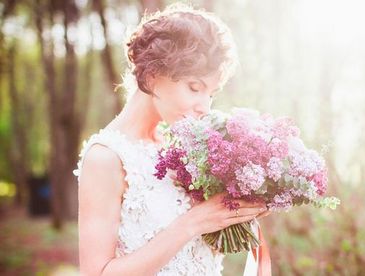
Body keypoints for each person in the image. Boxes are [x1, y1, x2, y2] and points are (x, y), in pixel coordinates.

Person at [73, 3, 270, 275]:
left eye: (211, 93)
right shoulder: (105, 158)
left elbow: (196, 254)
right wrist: (192, 223)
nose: (205, 106)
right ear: (154, 75)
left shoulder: (184, 149)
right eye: (194, 87)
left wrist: (235, 215)